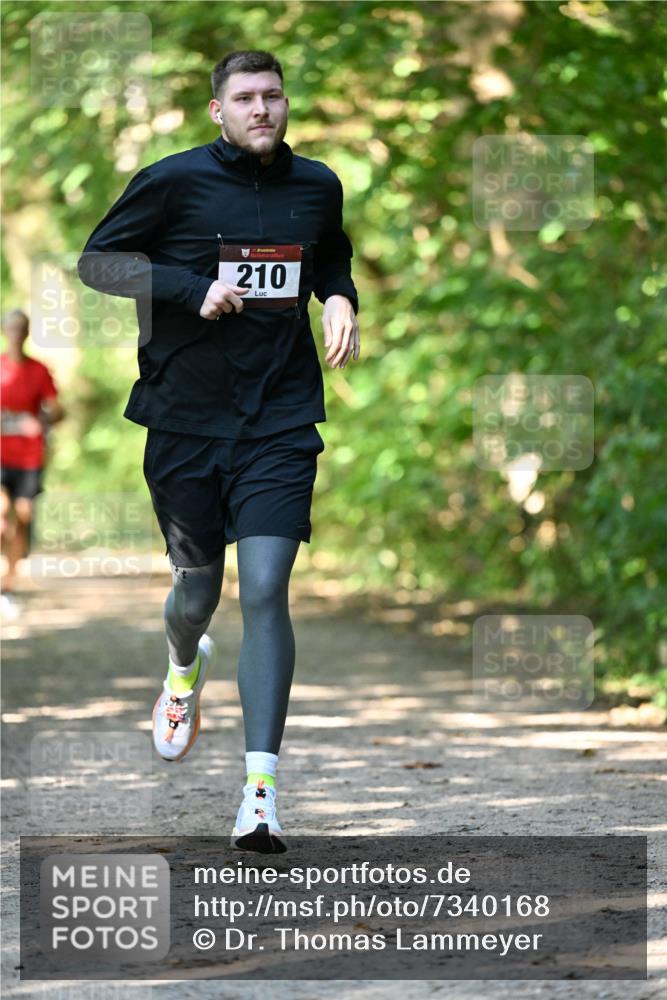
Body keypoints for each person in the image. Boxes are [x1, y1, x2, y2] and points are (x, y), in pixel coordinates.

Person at [77, 49, 360, 853]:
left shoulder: (318, 184)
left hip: (278, 416)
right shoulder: (172, 181)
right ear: (218, 110)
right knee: (196, 594)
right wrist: (186, 288)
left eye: (273, 96)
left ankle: (260, 796)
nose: (261, 109)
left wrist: (338, 294)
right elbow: (98, 260)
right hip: (185, 418)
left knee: (266, 586)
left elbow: (328, 250)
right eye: (244, 98)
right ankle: (179, 666)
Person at [1, 310, 64, 618]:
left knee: (22, 517)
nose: (16, 333)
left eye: (21, 329)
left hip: (29, 457)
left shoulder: (39, 371)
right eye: (12, 328)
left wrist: (41, 418)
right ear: (5, 331)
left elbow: (57, 410)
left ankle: (7, 587)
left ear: (27, 333)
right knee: (1, 515)